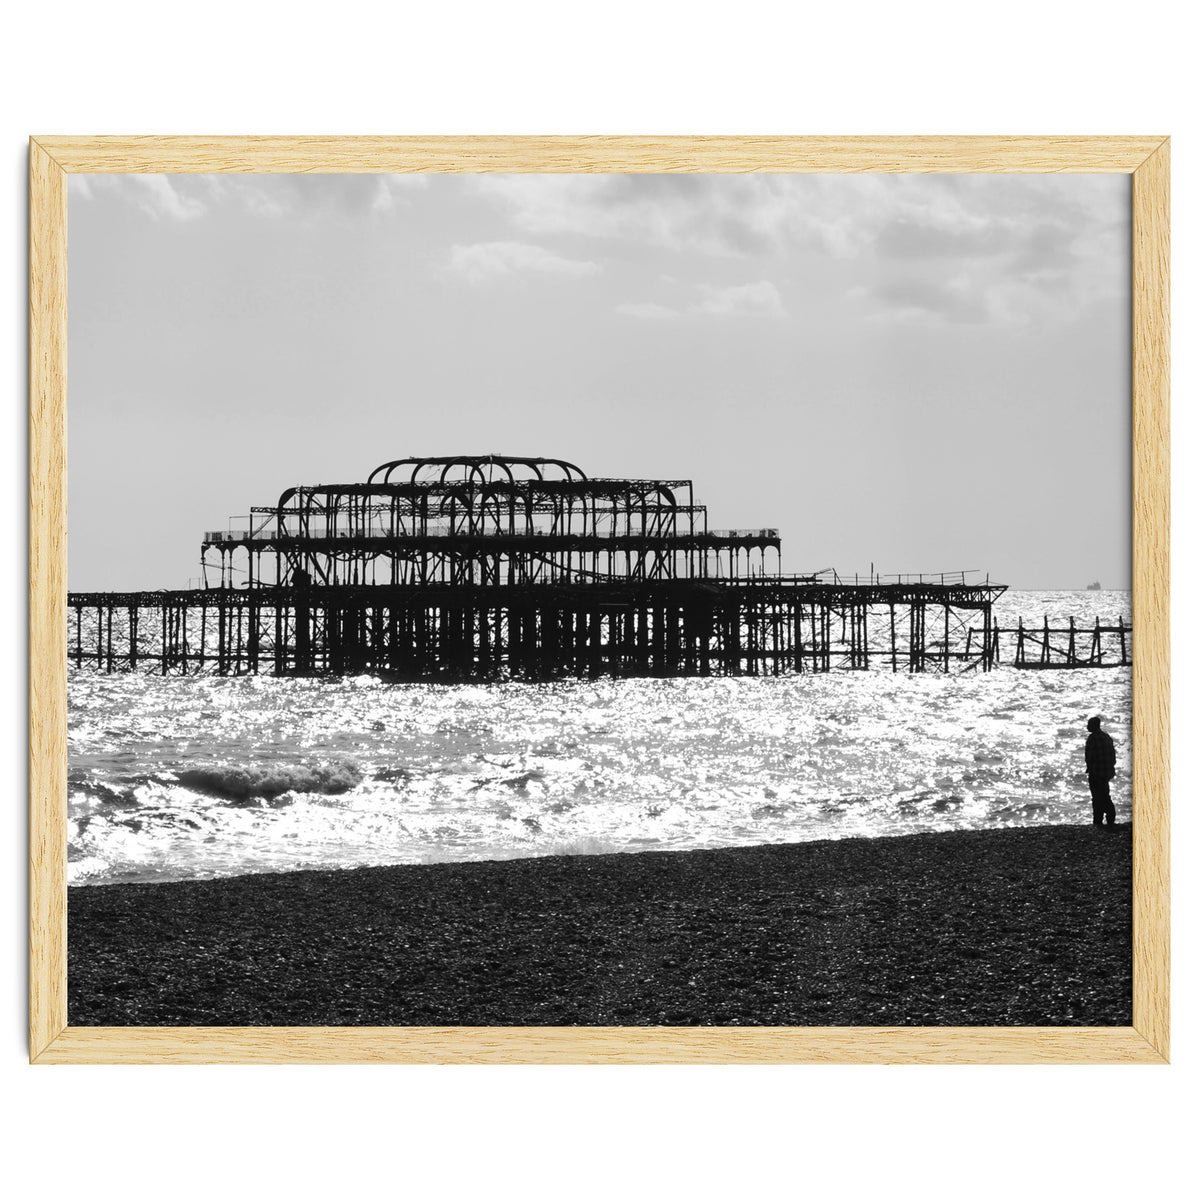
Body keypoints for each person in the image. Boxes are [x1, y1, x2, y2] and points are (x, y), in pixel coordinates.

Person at [1084, 714, 1117, 827]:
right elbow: (1113, 756)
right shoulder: (1106, 737)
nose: (1087, 726)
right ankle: (1110, 818)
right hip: (1106, 772)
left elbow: (1090, 757)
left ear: (1094, 725)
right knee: (1105, 795)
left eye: (1089, 724)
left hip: (1096, 772)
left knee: (1097, 797)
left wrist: (1090, 768)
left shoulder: (1093, 738)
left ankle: (1098, 821)